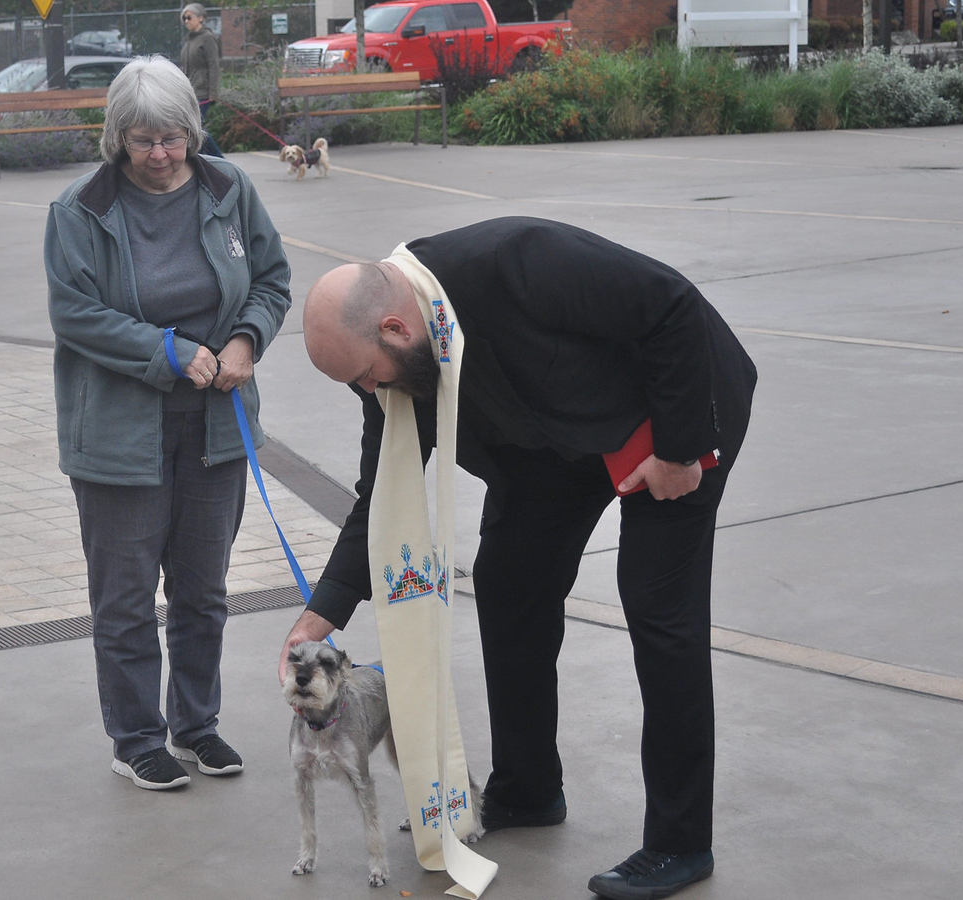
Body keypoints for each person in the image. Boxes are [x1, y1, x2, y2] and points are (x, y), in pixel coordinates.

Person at [277, 217, 756, 899]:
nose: (367, 393)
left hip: (668, 414)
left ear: (394, 329)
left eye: (363, 377)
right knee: (508, 583)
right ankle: (528, 789)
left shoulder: (517, 262)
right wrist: (320, 616)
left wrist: (681, 447)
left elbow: (671, 306)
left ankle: (680, 843)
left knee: (657, 605)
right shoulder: (392, 368)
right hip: (552, 445)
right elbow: (381, 494)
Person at [45, 56, 291, 792]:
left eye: (174, 137)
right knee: (124, 599)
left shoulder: (228, 188)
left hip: (215, 428)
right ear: (117, 137)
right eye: (144, 140)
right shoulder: (80, 209)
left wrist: (246, 339)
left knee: (203, 588)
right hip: (121, 433)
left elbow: (273, 279)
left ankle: (196, 726)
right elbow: (76, 315)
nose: (160, 155)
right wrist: (171, 353)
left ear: (193, 130)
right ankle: (136, 737)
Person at [178, 3, 224, 157]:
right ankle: (205, 160)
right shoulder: (189, 39)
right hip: (189, 92)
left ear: (201, 18)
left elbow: (214, 65)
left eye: (189, 17)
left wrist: (213, 92)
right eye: (184, 18)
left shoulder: (207, 38)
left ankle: (219, 161)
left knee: (195, 128)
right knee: (194, 128)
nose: (186, 21)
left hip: (203, 91)